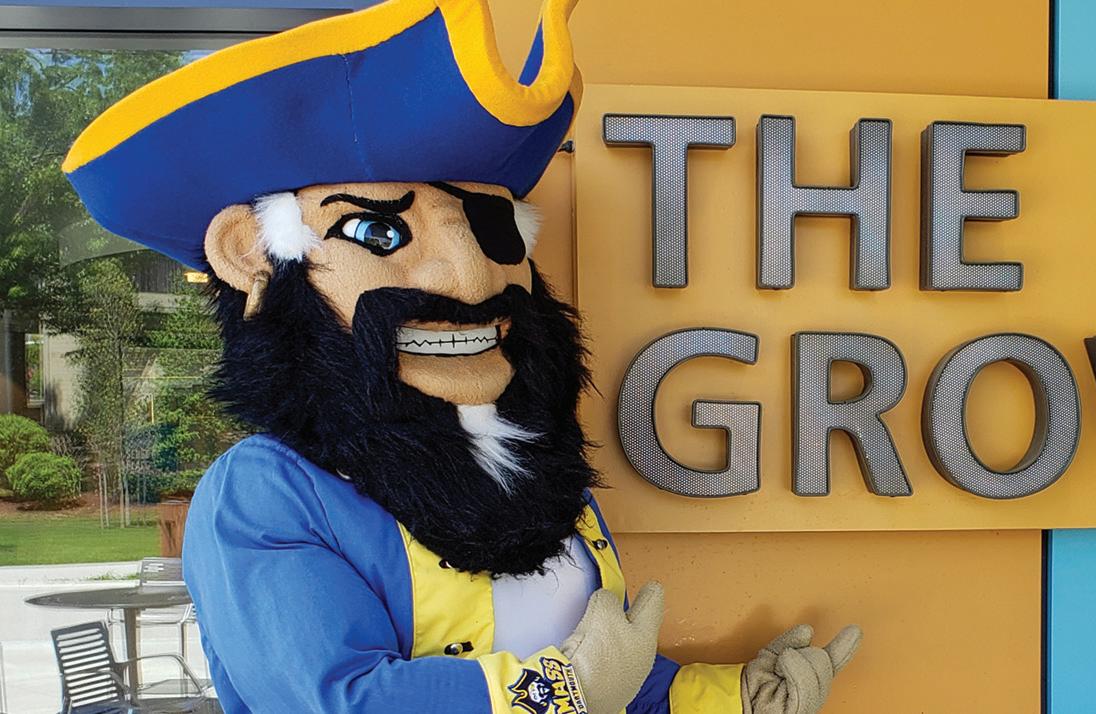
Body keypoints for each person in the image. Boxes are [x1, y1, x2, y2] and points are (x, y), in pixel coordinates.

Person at [61, 0, 860, 711]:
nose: (475, 280)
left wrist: (733, 697)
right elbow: (335, 699)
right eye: (379, 232)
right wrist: (563, 691)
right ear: (251, 255)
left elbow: (614, 683)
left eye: (491, 230)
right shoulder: (268, 495)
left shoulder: (538, 473)